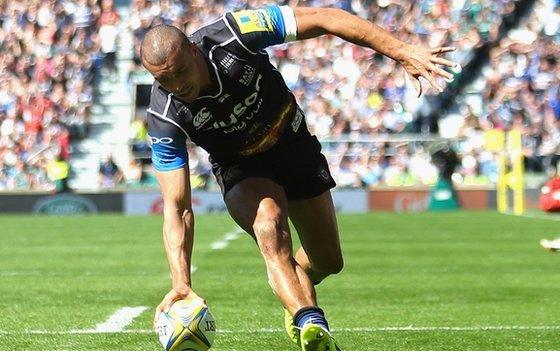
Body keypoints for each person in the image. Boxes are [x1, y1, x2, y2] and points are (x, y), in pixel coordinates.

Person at [141, 5, 456, 350]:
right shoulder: (163, 113)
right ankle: (310, 322)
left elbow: (326, 18)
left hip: (294, 144)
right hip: (241, 167)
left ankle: (292, 287)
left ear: (192, 49)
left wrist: (402, 51)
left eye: (180, 72)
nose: (176, 85)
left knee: (327, 260)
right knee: (269, 227)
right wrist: (181, 281)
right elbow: (177, 207)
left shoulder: (236, 33)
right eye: (163, 80)